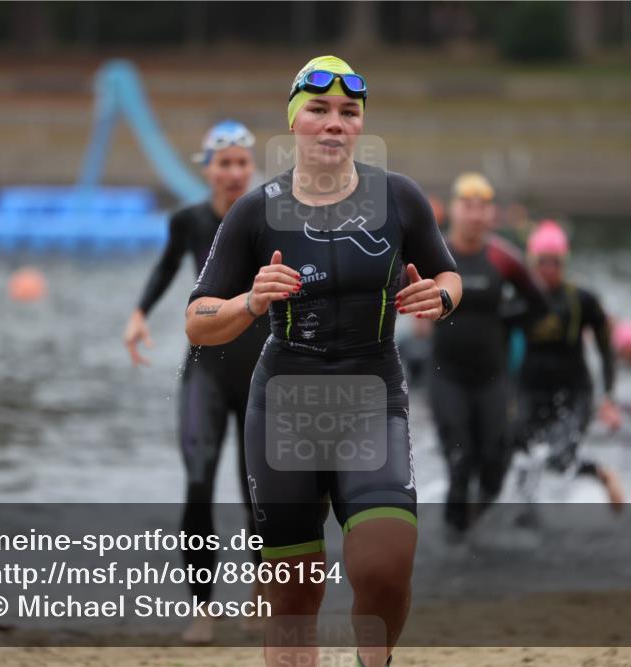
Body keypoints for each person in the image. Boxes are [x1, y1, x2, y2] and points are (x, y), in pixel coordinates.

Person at [185, 55, 462, 667]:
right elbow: (197, 320)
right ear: (294, 123)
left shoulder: (399, 197)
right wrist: (250, 300)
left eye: (348, 112)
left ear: (360, 125)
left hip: (373, 400)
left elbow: (449, 273)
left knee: (386, 565)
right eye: (318, 110)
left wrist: (441, 296)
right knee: (292, 599)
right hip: (284, 407)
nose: (334, 123)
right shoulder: (255, 211)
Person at [122, 120, 269, 644]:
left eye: (240, 164)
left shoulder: (272, 219)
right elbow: (164, 270)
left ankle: (261, 592)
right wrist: (140, 312)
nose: (232, 173)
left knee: (261, 492)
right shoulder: (188, 221)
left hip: (262, 374)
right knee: (199, 483)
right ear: (206, 168)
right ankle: (204, 608)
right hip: (206, 368)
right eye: (223, 163)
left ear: (251, 168)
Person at [428, 172, 548, 533]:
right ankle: (454, 540)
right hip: (446, 376)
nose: (475, 215)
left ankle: (475, 524)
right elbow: (396, 293)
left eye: (482, 208)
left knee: (495, 461)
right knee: (460, 461)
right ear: (454, 210)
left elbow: (538, 304)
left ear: (491, 215)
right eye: (467, 206)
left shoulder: (504, 259)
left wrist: (509, 321)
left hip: (492, 378)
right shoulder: (435, 253)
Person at [518, 220, 626, 508]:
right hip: (531, 390)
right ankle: (526, 520)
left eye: (556, 262)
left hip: (575, 393)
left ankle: (601, 475)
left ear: (564, 263)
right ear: (532, 262)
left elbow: (606, 350)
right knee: (522, 458)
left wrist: (609, 399)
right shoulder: (519, 298)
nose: (549, 269)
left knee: (558, 457)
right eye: (543, 262)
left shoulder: (582, 300)